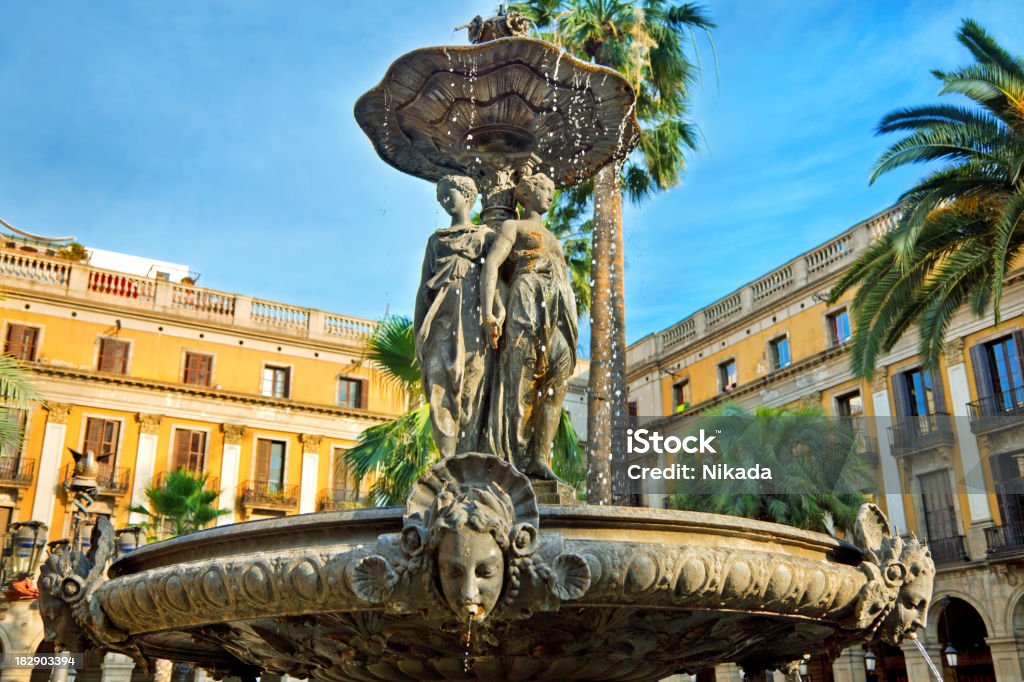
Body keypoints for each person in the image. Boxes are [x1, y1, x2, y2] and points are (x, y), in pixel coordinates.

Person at [480, 172, 577, 480]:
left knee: (558, 377)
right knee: (521, 378)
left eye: (552, 189)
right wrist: (489, 311)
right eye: (545, 189)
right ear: (527, 192)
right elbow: (493, 265)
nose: (550, 195)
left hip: (557, 309)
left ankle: (540, 457)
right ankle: (512, 458)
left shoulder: (552, 236)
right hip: (527, 298)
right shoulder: (513, 226)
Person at [414, 174, 499, 457]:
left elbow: (495, 280)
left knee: (471, 389)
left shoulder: (484, 236)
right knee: (439, 383)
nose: (444, 201)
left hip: (473, 322)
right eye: (441, 197)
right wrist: (418, 333)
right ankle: (448, 462)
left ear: (467, 195)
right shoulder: (435, 241)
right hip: (440, 320)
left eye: (449, 194)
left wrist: (497, 314)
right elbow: (421, 290)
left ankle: (468, 458)